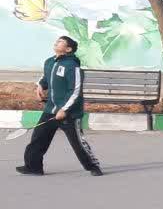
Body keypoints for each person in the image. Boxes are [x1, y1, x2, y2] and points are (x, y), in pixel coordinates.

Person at [18, 36, 102, 176]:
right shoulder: (49, 62)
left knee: (78, 143)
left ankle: (93, 166)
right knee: (38, 138)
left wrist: (64, 109)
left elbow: (75, 90)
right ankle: (33, 167)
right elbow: (45, 78)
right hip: (50, 110)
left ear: (68, 49)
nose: (57, 42)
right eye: (57, 40)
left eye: (61, 42)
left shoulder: (72, 66)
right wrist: (40, 86)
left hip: (69, 113)